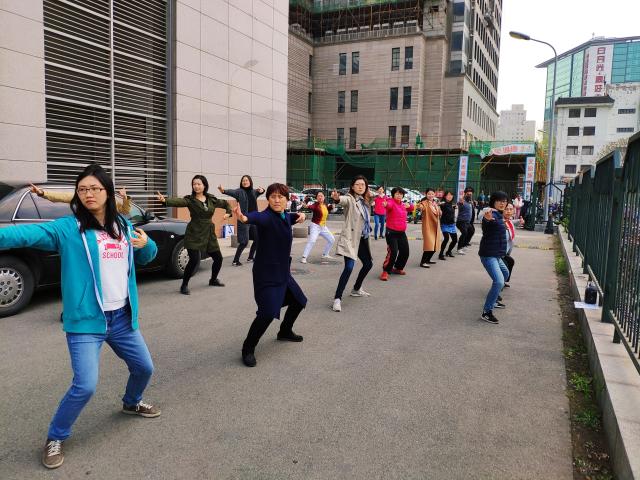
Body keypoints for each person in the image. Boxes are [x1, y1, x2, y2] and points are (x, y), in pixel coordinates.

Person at [0, 164, 159, 469]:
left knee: (144, 368)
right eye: (83, 189)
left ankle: (132, 402)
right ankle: (55, 436)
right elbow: (24, 233)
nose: (89, 194)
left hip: (122, 319)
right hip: (87, 321)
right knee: (85, 385)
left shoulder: (123, 225)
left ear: (108, 192)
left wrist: (146, 244)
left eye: (95, 188)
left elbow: (146, 257)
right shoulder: (68, 228)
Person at [233, 183, 307, 367]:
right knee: (267, 313)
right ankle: (248, 348)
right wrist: (243, 217)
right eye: (273, 196)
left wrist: (301, 216)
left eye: (280, 197)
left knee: (299, 301)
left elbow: (292, 217)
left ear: (287, 200)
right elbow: (254, 217)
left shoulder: (285, 216)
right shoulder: (266, 217)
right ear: (268, 199)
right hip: (266, 274)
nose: (276, 200)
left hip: (283, 273)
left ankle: (285, 331)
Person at [156, 175, 231, 295]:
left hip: (209, 233)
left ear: (204, 185)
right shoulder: (190, 200)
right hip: (194, 232)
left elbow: (226, 204)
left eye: (198, 184)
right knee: (194, 260)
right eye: (194, 184)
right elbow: (179, 202)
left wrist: (229, 213)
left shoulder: (211, 199)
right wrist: (165, 201)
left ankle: (213, 279)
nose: (196, 186)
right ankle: (184, 285)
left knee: (218, 258)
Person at [330, 175, 374, 312]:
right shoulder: (350, 199)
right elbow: (342, 200)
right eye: (357, 184)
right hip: (350, 239)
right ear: (352, 187)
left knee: (368, 264)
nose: (360, 186)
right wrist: (337, 198)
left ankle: (356, 289)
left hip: (363, 239)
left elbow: (374, 198)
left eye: (363, 184)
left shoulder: (366, 201)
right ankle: (337, 299)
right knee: (349, 267)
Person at [218, 176, 265, 266]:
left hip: (254, 219)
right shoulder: (239, 192)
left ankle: (250, 257)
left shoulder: (254, 191)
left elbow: (261, 191)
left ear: (250, 182)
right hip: (244, 219)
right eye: (243, 180)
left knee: (257, 239)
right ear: (241, 182)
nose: (245, 182)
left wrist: (262, 190)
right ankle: (235, 261)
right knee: (244, 242)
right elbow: (231, 192)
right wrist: (223, 190)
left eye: (246, 180)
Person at [478, 191, 510, 325]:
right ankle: (487, 311)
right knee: (499, 281)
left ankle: (494, 299)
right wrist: (486, 219)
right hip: (488, 254)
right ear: (493, 202)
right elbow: (486, 222)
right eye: (499, 201)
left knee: (506, 273)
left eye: (505, 201)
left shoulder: (499, 215)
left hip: (497, 254)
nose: (503, 203)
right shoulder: (490, 213)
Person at [30, 184, 132, 215]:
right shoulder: (86, 197)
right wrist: (43, 193)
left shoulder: (112, 201)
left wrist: (124, 198)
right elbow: (63, 196)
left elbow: (125, 211)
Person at [380, 187, 413, 280]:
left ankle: (398, 268)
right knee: (393, 252)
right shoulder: (391, 202)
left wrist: (409, 205)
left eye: (401, 194)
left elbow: (411, 208)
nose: (399, 196)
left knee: (405, 252)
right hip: (391, 232)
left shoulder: (403, 204)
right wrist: (385, 204)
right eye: (397, 194)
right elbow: (388, 205)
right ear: (393, 194)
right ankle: (386, 271)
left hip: (401, 233)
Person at [300, 191, 335, 263]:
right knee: (312, 241)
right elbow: (308, 206)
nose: (320, 197)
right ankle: (304, 257)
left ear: (324, 197)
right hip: (315, 226)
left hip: (323, 227)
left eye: (321, 196)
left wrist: (334, 200)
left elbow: (330, 208)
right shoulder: (315, 205)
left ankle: (325, 254)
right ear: (316, 198)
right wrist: (305, 204)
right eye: (318, 196)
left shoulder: (325, 205)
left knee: (332, 239)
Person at [417, 188, 442, 268]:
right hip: (428, 226)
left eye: (432, 194)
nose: (430, 195)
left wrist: (439, 210)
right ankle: (423, 262)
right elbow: (421, 207)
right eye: (429, 194)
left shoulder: (435, 203)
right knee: (429, 244)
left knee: (435, 244)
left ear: (434, 194)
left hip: (436, 226)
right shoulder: (424, 203)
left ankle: (428, 260)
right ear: (426, 194)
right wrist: (419, 206)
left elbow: (439, 213)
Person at [438, 191, 458, 260]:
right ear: (445, 196)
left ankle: (448, 252)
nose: (450, 196)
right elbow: (439, 204)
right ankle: (441, 254)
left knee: (455, 240)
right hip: (444, 224)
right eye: (448, 195)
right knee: (446, 238)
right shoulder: (443, 204)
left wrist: (454, 207)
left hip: (452, 224)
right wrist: (438, 204)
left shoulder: (452, 204)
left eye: (451, 195)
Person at [502, 202, 517, 287]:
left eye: (511, 209)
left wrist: (520, 221)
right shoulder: (500, 221)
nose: (508, 211)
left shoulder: (509, 221)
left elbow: (513, 222)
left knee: (510, 262)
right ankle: (499, 284)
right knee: (505, 266)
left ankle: (503, 281)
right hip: (499, 252)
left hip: (506, 250)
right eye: (506, 209)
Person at [456, 187, 474, 254]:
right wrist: (460, 202)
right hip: (461, 221)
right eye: (468, 194)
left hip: (467, 222)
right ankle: (459, 248)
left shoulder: (470, 202)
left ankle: (464, 244)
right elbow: (459, 204)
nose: (469, 195)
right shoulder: (462, 201)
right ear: (465, 194)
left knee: (471, 231)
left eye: (470, 194)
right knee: (464, 233)